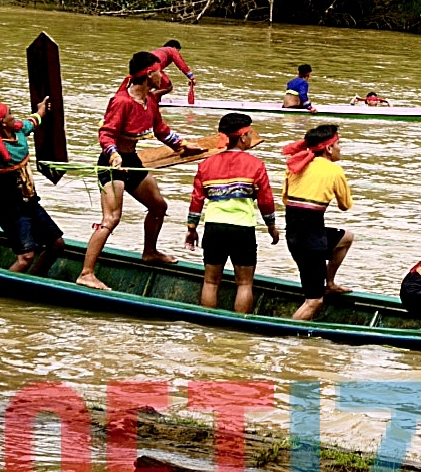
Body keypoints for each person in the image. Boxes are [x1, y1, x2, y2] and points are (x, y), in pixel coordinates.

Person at [79, 51, 202, 289]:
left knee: (158, 207)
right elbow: (106, 134)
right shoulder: (122, 101)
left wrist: (182, 145)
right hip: (112, 164)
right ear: (149, 74)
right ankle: (86, 273)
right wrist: (113, 155)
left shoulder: (150, 100)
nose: (162, 77)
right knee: (112, 218)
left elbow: (160, 129)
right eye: (159, 72)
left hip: (132, 161)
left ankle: (150, 252)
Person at [184, 113, 278, 314]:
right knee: (244, 283)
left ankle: (206, 325)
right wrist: (271, 226)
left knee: (210, 281)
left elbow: (196, 199)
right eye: (250, 133)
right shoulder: (256, 165)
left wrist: (191, 228)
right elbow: (266, 200)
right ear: (243, 137)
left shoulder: (206, 164)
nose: (251, 137)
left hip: (214, 227)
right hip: (242, 228)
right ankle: (239, 328)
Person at [0, 98, 64, 274]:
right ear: (2, 122)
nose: (13, 116)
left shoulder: (18, 132)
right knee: (26, 257)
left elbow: (32, 122)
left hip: (31, 203)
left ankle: (32, 281)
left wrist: (41, 110)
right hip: (11, 208)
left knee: (57, 244)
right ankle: (0, 289)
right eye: (10, 114)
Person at [280, 123, 355, 321]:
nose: (340, 148)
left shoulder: (296, 166)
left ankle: (329, 283)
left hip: (294, 236)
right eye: (338, 144)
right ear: (329, 148)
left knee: (346, 238)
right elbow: (345, 205)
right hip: (311, 242)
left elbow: (286, 199)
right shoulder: (334, 171)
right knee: (314, 301)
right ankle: (285, 335)